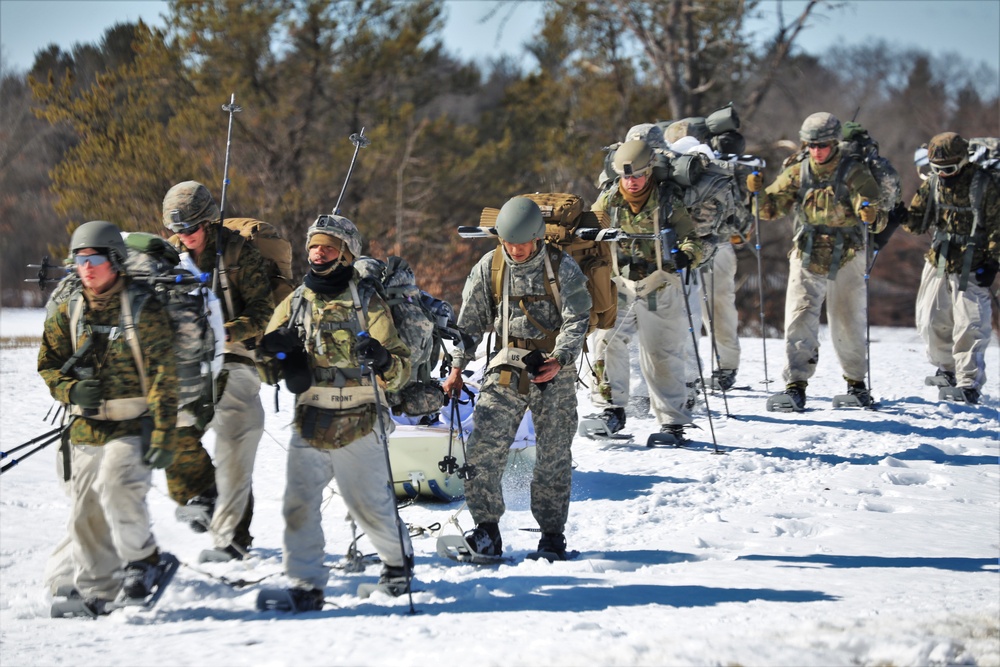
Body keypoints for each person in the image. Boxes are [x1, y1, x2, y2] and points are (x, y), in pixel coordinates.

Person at [261, 214, 414, 610]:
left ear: (346, 254)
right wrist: (279, 353)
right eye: (313, 246)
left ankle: (397, 565)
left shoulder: (367, 300)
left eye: (328, 247)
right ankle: (304, 584)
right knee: (297, 504)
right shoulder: (295, 302)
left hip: (360, 418)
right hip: (311, 417)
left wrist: (381, 358)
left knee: (367, 505)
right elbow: (266, 366)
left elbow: (399, 369)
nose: (318, 253)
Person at [37, 220, 178, 615]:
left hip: (133, 423)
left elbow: (166, 374)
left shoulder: (143, 307)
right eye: (79, 260)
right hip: (85, 425)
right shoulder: (70, 308)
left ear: (115, 260)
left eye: (94, 258)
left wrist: (166, 434)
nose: (87, 268)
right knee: (84, 508)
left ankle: (145, 561)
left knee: (118, 488)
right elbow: (48, 363)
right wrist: (69, 391)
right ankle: (98, 586)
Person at [441, 196, 591, 559]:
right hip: (507, 363)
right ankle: (487, 531)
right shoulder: (489, 267)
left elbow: (577, 319)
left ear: (538, 237)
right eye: (508, 242)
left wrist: (560, 358)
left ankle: (552, 536)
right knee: (482, 449)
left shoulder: (562, 268)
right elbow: (470, 323)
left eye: (522, 242)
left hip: (554, 366)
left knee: (553, 455)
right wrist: (458, 367)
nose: (515, 249)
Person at [161, 181, 274, 561]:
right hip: (188, 364)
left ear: (208, 223)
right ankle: (201, 494)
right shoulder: (170, 258)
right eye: (177, 231)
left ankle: (233, 538)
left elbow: (262, 312)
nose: (184, 238)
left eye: (190, 230)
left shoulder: (242, 254)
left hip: (236, 357)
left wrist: (222, 332)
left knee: (234, 447)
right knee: (170, 432)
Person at [748, 112, 884, 411]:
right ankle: (795, 386)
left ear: (834, 143)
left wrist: (872, 215)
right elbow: (771, 210)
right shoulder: (798, 171)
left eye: (822, 144)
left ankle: (856, 384)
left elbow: (877, 213)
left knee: (847, 320)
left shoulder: (854, 171)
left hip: (848, 252)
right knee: (799, 316)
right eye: (810, 145)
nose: (816, 151)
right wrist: (756, 193)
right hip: (808, 251)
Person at [589, 139, 705, 441]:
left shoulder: (668, 201)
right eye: (627, 176)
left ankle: (672, 423)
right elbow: (588, 233)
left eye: (638, 175)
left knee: (661, 353)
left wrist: (686, 254)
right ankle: (610, 411)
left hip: (659, 284)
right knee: (605, 341)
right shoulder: (609, 200)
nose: (632, 182)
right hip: (620, 284)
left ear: (650, 171)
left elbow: (693, 240)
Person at [902, 131, 1000, 404]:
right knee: (931, 321)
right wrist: (899, 214)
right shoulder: (934, 183)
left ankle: (969, 382)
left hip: (974, 263)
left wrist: (994, 262)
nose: (943, 174)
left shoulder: (985, 184)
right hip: (940, 260)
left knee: (971, 326)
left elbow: (997, 227)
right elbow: (917, 223)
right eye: (936, 168)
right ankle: (947, 370)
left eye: (948, 168)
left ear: (963, 161)